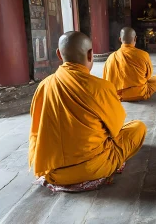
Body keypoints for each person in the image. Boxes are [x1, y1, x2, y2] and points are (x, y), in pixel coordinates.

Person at [29, 31, 146, 186]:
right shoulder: (101, 87)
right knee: (138, 127)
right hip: (93, 168)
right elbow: (116, 129)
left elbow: (36, 132)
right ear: (90, 54)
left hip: (52, 171)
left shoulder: (44, 86)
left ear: (59, 54)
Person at [103, 27, 156, 101]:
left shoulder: (111, 57)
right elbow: (148, 76)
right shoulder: (143, 55)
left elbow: (106, 80)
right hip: (139, 93)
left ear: (120, 39)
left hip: (117, 94)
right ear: (135, 39)